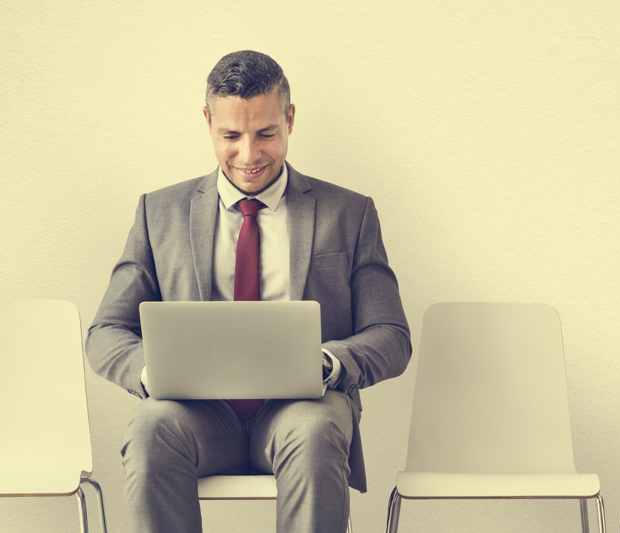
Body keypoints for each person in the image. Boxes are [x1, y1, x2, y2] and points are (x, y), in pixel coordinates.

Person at [86, 50, 411, 533]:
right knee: (149, 428)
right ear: (207, 123)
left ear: (290, 118)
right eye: (230, 136)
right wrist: (153, 372)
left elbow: (391, 335)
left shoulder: (350, 213)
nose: (249, 155)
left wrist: (328, 363)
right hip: (195, 417)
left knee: (316, 426)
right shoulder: (160, 212)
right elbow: (105, 331)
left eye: (266, 133)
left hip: (301, 412)